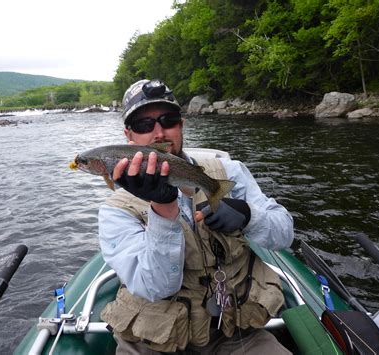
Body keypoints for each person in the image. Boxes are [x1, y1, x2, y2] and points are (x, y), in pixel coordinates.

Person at [98, 79, 294, 354]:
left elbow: (285, 234)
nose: (159, 132)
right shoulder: (116, 210)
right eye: (144, 125)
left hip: (235, 333)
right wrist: (163, 210)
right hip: (153, 343)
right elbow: (155, 287)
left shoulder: (229, 172)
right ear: (129, 136)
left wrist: (249, 216)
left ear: (182, 124)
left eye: (168, 120)